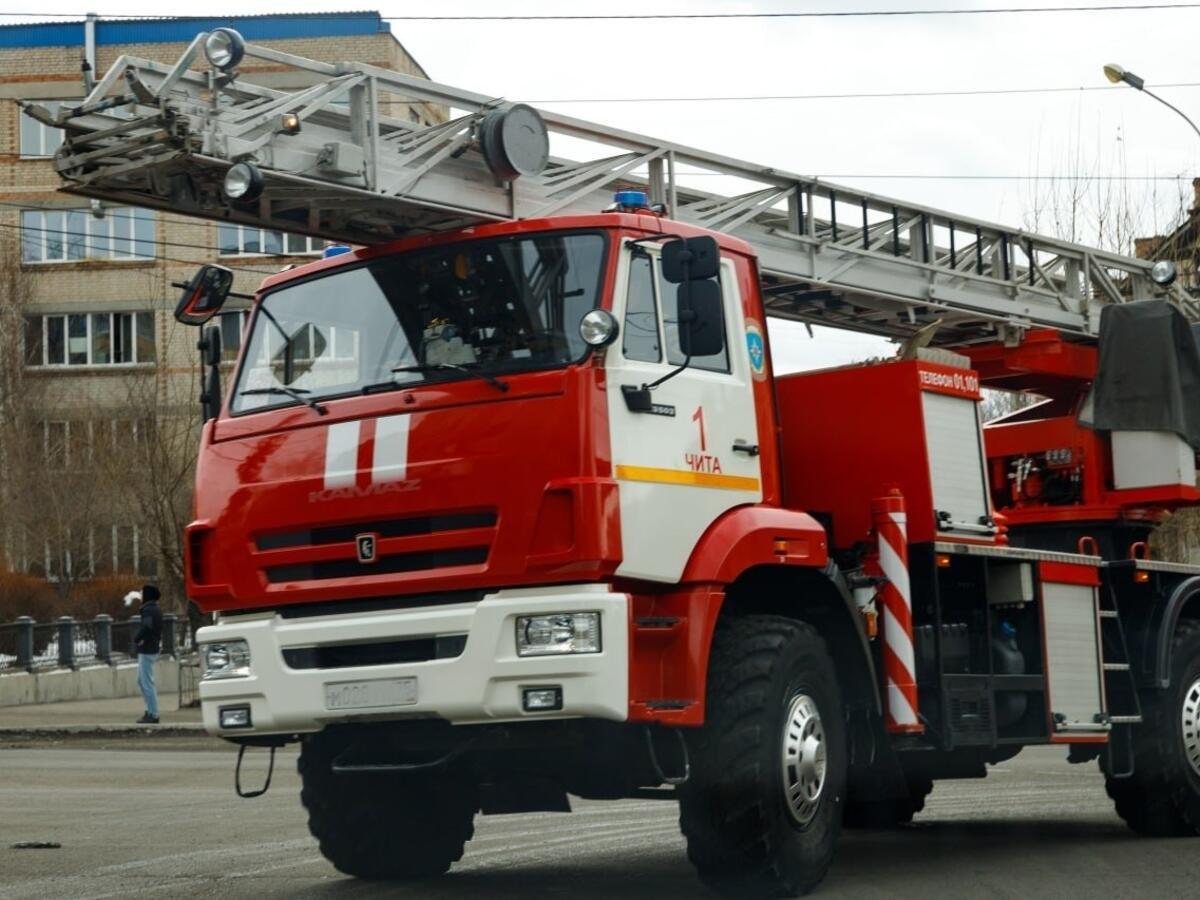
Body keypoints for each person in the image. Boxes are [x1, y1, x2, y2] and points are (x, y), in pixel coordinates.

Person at [134, 585, 163, 725]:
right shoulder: (154, 608)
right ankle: (150, 711)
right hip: (151, 648)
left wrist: (137, 638)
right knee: (141, 681)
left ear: (148, 595)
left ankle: (153, 713)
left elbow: (147, 627)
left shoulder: (148, 609)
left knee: (146, 683)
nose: (140, 594)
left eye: (142, 592)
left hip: (147, 649)